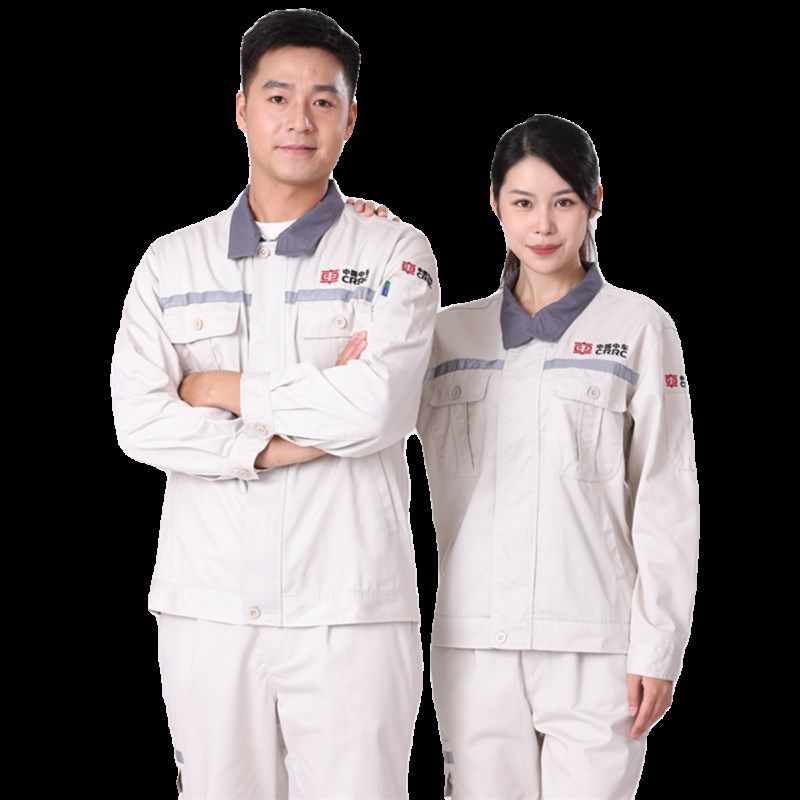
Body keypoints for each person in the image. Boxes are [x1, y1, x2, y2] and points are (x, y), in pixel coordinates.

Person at [109, 9, 440, 798]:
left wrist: (215, 390)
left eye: (323, 101)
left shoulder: (393, 250)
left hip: (350, 610)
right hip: (210, 610)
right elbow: (139, 420)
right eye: (279, 96)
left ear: (351, 118)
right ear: (241, 109)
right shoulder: (171, 262)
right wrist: (276, 445)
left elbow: (377, 412)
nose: (300, 120)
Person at [351, 113, 700, 799]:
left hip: (595, 645)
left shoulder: (639, 327)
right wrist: (367, 240)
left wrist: (659, 647)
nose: (543, 225)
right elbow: (359, 401)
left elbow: (666, 496)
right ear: (494, 204)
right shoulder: (446, 335)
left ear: (595, 201)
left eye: (563, 202)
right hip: (474, 642)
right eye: (523, 202)